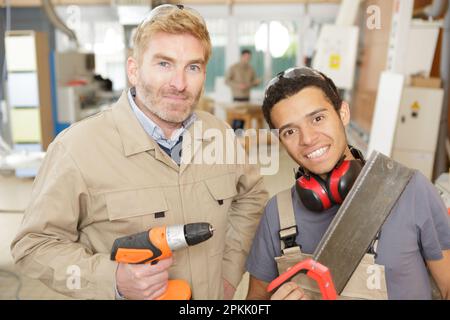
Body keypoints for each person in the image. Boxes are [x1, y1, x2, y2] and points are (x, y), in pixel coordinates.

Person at [10, 4, 268, 300]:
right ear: (133, 70)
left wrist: (228, 273)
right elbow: (33, 245)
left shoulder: (220, 135)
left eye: (192, 67)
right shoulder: (77, 149)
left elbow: (252, 197)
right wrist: (113, 280)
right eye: (163, 64)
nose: (179, 83)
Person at [245, 67, 450, 300]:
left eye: (318, 118)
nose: (308, 139)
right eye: (290, 131)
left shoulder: (409, 190)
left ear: (343, 113)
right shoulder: (278, 214)